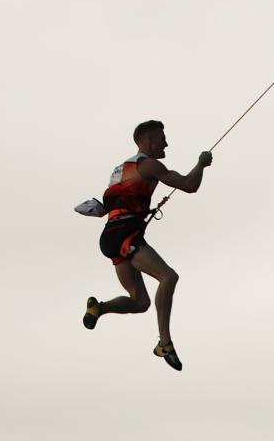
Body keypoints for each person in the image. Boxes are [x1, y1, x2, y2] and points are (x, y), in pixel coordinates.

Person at [81, 120, 213, 371]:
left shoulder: (120, 168)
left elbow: (116, 200)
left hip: (112, 235)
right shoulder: (148, 164)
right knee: (168, 277)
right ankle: (165, 343)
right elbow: (189, 185)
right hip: (125, 234)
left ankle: (100, 307)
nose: (166, 143)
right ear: (148, 140)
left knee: (140, 302)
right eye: (162, 138)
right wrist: (201, 164)